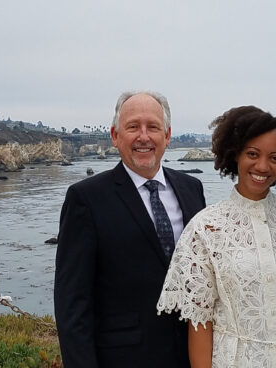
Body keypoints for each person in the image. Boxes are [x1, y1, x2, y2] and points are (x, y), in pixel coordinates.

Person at [55, 91, 207, 368]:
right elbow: (72, 304)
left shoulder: (192, 188)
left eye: (153, 127)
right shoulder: (85, 198)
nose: (144, 136)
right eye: (133, 126)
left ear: (167, 135)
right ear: (115, 135)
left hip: (189, 355)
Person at [157, 106, 276, 368]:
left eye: (275, 158)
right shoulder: (205, 228)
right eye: (252, 154)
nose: (263, 166)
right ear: (235, 153)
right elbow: (200, 321)